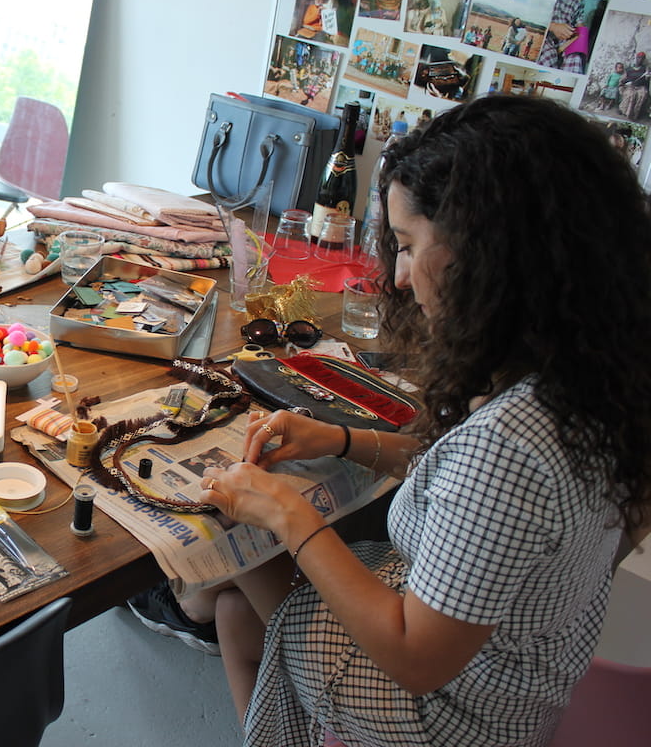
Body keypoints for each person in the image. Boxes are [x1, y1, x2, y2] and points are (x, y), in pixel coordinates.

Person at [168, 96, 651, 746]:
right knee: (235, 610)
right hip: (522, 682)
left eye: (407, 245)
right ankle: (196, 598)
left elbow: (415, 658)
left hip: (448, 713)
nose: (396, 275)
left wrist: (288, 511)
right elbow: (474, 496)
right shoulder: (591, 385)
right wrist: (342, 438)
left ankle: (181, 592)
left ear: (488, 252)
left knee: (236, 540)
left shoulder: (508, 445)